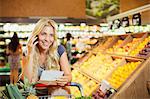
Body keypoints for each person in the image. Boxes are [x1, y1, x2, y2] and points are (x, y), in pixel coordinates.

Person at [22, 18, 72, 95]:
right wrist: (30, 54)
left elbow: (69, 76)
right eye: (43, 34)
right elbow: (26, 81)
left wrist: (65, 79)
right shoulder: (28, 52)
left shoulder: (59, 50)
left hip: (54, 95)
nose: (47, 39)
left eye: (51, 35)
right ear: (36, 35)